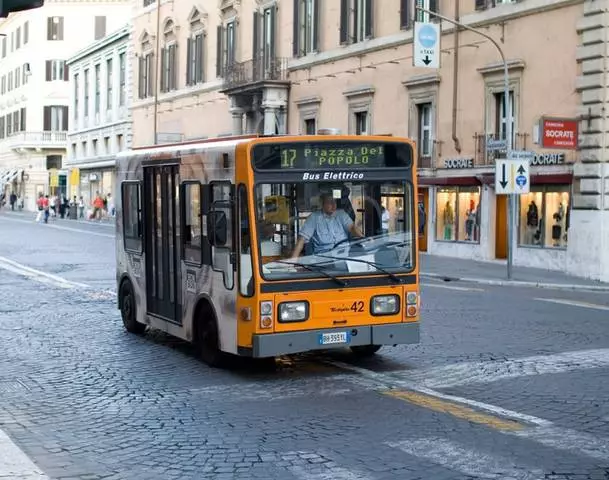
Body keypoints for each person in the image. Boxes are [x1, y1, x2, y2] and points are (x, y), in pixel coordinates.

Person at [291, 193, 363, 258]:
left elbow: (352, 228)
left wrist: (364, 239)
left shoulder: (341, 214)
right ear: (322, 204)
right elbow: (302, 239)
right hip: (324, 259)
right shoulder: (314, 218)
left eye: (334, 202)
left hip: (345, 255)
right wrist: (293, 260)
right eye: (330, 202)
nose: (333, 205)